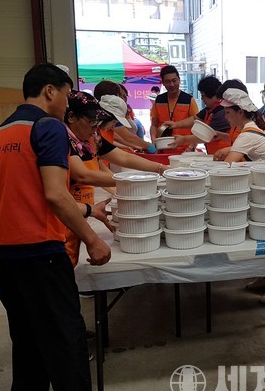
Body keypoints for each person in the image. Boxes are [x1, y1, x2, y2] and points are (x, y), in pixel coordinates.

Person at [0, 63, 113, 391]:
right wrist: (92, 239)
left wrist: (87, 212)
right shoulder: (48, 127)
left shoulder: (0, 133)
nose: (66, 104)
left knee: (26, 330)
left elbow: (11, 196)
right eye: (66, 95)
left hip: (3, 250)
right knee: (63, 331)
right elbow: (56, 194)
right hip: (40, 248)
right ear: (49, 91)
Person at [64, 91, 167, 266]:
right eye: (91, 122)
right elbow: (82, 175)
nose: (95, 128)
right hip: (66, 212)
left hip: (83, 208)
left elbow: (123, 157)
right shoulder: (62, 140)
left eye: (96, 122)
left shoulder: (92, 137)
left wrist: (161, 168)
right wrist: (132, 180)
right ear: (71, 117)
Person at [162, 75, 231, 155]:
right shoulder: (209, 109)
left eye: (203, 95)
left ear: (212, 95)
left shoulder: (222, 113)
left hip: (225, 154)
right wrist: (176, 124)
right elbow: (195, 119)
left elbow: (208, 136)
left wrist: (184, 139)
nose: (202, 99)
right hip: (215, 154)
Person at [94, 81, 156, 154]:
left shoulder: (101, 128)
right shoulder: (95, 130)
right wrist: (148, 146)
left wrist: (129, 146)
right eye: (120, 95)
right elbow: (128, 137)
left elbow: (112, 138)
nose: (123, 98)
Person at [219, 88, 265, 162]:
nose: (225, 117)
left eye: (228, 112)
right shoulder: (253, 127)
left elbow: (227, 164)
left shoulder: (247, 135)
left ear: (240, 112)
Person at [150, 65, 199, 149]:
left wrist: (191, 147)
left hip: (184, 149)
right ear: (163, 83)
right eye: (168, 81)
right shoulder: (159, 100)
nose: (172, 84)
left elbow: (197, 126)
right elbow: (154, 125)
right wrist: (154, 139)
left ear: (179, 80)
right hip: (163, 148)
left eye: (174, 80)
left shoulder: (189, 100)